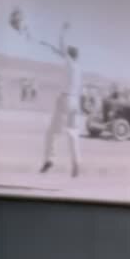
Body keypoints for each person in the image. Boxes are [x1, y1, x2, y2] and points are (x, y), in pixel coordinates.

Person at [35, 23, 82, 176]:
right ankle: (76, 163)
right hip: (75, 102)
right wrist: (51, 47)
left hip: (65, 100)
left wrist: (63, 31)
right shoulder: (77, 68)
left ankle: (49, 159)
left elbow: (62, 47)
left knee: (52, 133)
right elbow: (61, 52)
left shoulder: (70, 64)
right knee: (73, 133)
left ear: (69, 55)